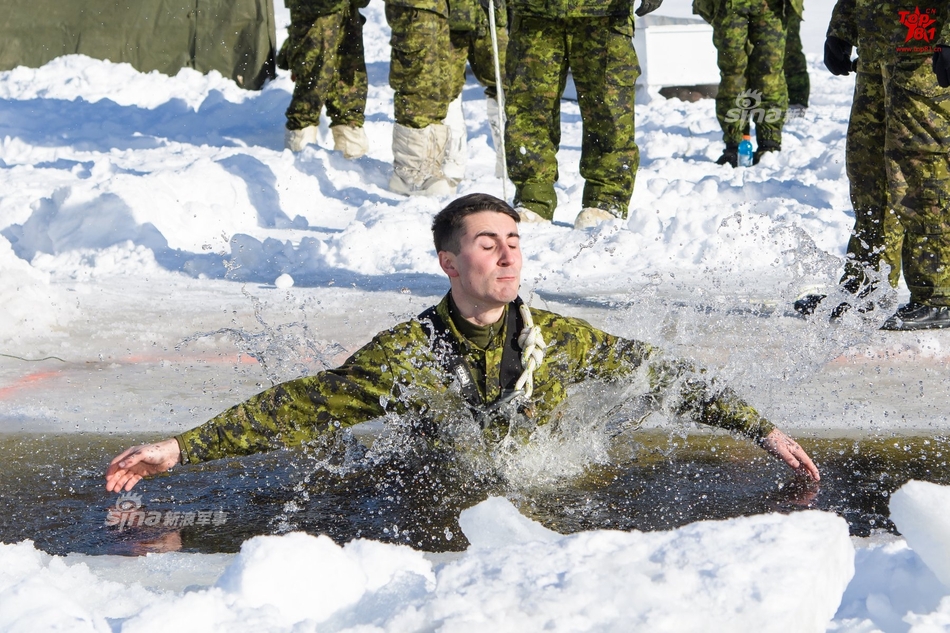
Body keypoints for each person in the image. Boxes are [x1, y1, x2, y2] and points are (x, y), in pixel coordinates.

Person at [105, 193, 819, 494]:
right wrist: (183, 448)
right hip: (444, 486)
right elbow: (306, 405)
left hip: (541, 487)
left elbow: (656, 374)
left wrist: (758, 427)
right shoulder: (407, 351)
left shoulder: (555, 337)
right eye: (488, 244)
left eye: (514, 242)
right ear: (450, 263)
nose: (509, 257)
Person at [808, 1, 950, 330]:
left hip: (922, 49)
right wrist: (841, 28)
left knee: (921, 169)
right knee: (868, 170)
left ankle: (938, 293)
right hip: (877, 51)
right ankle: (868, 282)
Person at [502, 0, 663, 229]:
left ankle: (606, 200)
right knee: (529, 106)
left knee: (609, 109)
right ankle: (533, 199)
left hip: (605, 11)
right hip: (534, 11)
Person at [386, 0, 507, 195]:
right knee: (429, 85)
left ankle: (510, 162)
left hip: (477, 9)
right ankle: (418, 171)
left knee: (506, 78)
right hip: (427, 9)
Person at [693, 0, 801, 167]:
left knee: (769, 73)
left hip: (771, 6)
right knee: (733, 74)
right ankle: (734, 144)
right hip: (730, 5)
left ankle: (769, 144)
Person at [278, 0, 370, 158]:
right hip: (315, 10)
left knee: (349, 85)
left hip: (347, 9)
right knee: (312, 85)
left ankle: (351, 154)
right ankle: (299, 158)